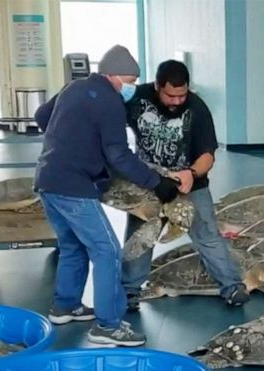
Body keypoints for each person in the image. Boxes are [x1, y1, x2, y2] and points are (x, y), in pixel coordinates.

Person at [32, 45, 186, 346]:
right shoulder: (110, 102)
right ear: (112, 76)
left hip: (47, 180)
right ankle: (108, 325)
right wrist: (156, 182)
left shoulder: (74, 87)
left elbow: (41, 116)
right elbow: (119, 156)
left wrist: (71, 138)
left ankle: (65, 306)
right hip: (74, 187)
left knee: (72, 245)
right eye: (128, 81)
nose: (130, 87)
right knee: (107, 250)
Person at [121, 59, 249, 310]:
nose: (178, 101)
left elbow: (208, 154)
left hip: (190, 185)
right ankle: (129, 292)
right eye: (171, 95)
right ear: (157, 86)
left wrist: (191, 173)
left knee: (208, 235)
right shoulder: (136, 98)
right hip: (148, 184)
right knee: (140, 237)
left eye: (182, 95)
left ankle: (232, 287)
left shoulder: (197, 108)